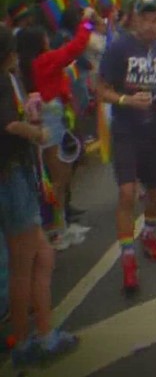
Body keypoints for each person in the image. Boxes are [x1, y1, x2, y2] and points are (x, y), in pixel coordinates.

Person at [1, 25, 80, 367]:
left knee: (32, 260)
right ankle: (39, 339)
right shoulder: (4, 79)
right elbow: (9, 124)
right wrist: (37, 131)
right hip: (13, 177)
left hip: (15, 176)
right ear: (10, 54)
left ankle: (26, 338)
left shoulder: (11, 80)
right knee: (32, 260)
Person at [94, 0, 156, 293]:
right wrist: (126, 100)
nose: (151, 25)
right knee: (127, 194)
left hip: (155, 132)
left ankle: (149, 235)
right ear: (135, 19)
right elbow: (101, 89)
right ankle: (128, 262)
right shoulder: (119, 48)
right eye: (145, 18)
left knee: (155, 197)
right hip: (126, 130)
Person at [16, 8, 96, 249]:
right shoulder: (45, 61)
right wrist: (87, 23)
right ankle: (56, 231)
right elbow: (76, 47)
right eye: (44, 37)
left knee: (57, 177)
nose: (48, 39)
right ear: (38, 42)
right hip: (51, 125)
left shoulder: (26, 66)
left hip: (49, 121)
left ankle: (60, 227)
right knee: (58, 178)